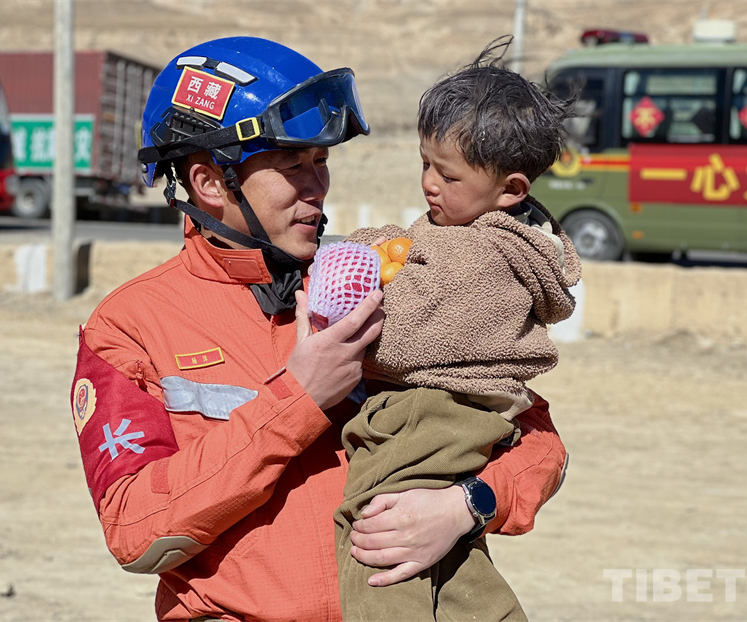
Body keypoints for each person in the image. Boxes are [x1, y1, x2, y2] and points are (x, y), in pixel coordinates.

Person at [69, 35, 568, 622]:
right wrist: (298, 399)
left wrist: (467, 505)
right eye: (292, 167)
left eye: (321, 162)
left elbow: (538, 441)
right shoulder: (129, 326)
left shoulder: (372, 282)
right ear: (209, 183)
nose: (317, 187)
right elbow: (134, 530)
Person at [327, 37, 581, 622]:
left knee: (376, 529)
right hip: (457, 411)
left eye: (447, 174)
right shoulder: (471, 227)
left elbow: (408, 339)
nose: (429, 184)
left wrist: (353, 295)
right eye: (425, 164)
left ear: (511, 189)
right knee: (451, 558)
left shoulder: (485, 255)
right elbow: (413, 251)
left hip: (434, 408)